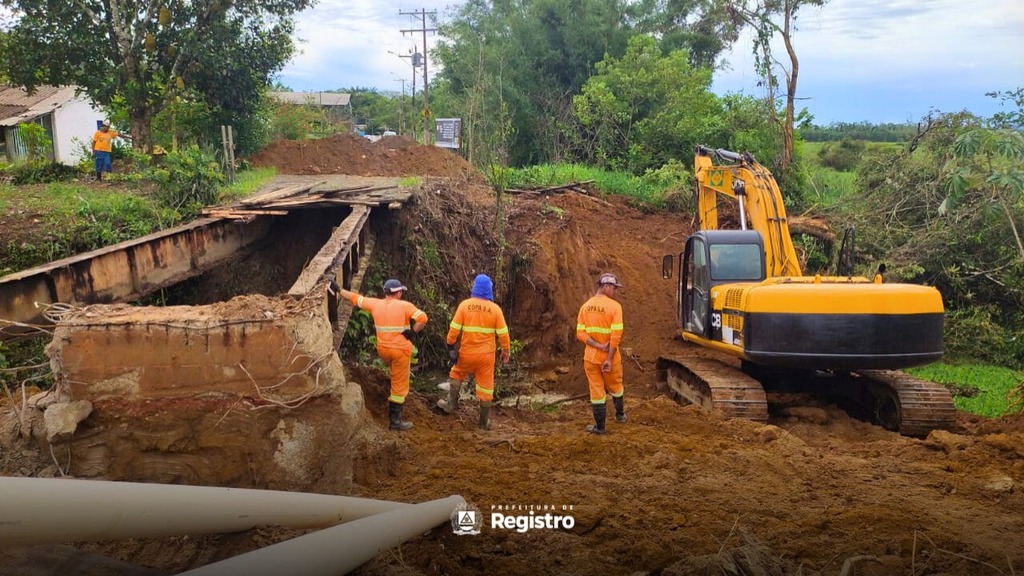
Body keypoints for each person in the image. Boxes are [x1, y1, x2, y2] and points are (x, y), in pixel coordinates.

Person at [336, 278, 428, 431]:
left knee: (394, 373)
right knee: (399, 385)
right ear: (398, 293)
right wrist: (413, 331)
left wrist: (338, 289)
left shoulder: (375, 304)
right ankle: (395, 422)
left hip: (383, 350)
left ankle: (394, 412)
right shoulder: (405, 306)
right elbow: (423, 318)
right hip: (400, 350)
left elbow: (355, 298)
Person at [437, 274, 511, 430]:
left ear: (475, 288)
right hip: (486, 356)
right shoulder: (495, 310)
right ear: (489, 290)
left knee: (457, 374)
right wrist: (506, 351)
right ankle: (483, 423)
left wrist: (450, 345)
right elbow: (504, 334)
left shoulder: (465, 305)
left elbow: (454, 329)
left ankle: (450, 404)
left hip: (467, 353)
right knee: (486, 387)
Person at [575, 272, 626, 435]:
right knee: (616, 386)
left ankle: (600, 427)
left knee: (596, 391)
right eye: (614, 288)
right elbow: (616, 335)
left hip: (591, 358)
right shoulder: (615, 307)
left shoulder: (585, 307)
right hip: (610, 358)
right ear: (606, 287)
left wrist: (597, 345)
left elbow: (580, 333)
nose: (615, 292)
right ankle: (620, 416)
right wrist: (609, 358)